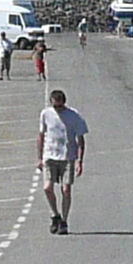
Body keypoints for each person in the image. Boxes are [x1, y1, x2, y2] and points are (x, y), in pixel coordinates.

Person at [36, 88, 88, 233]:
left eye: (60, 106)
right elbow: (41, 135)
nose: (57, 109)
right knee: (47, 187)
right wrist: (39, 157)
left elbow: (81, 140)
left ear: (64, 103)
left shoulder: (74, 116)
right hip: (50, 155)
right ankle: (55, 215)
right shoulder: (45, 114)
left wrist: (79, 161)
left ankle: (64, 221)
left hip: (67, 157)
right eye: (55, 106)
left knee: (66, 189)